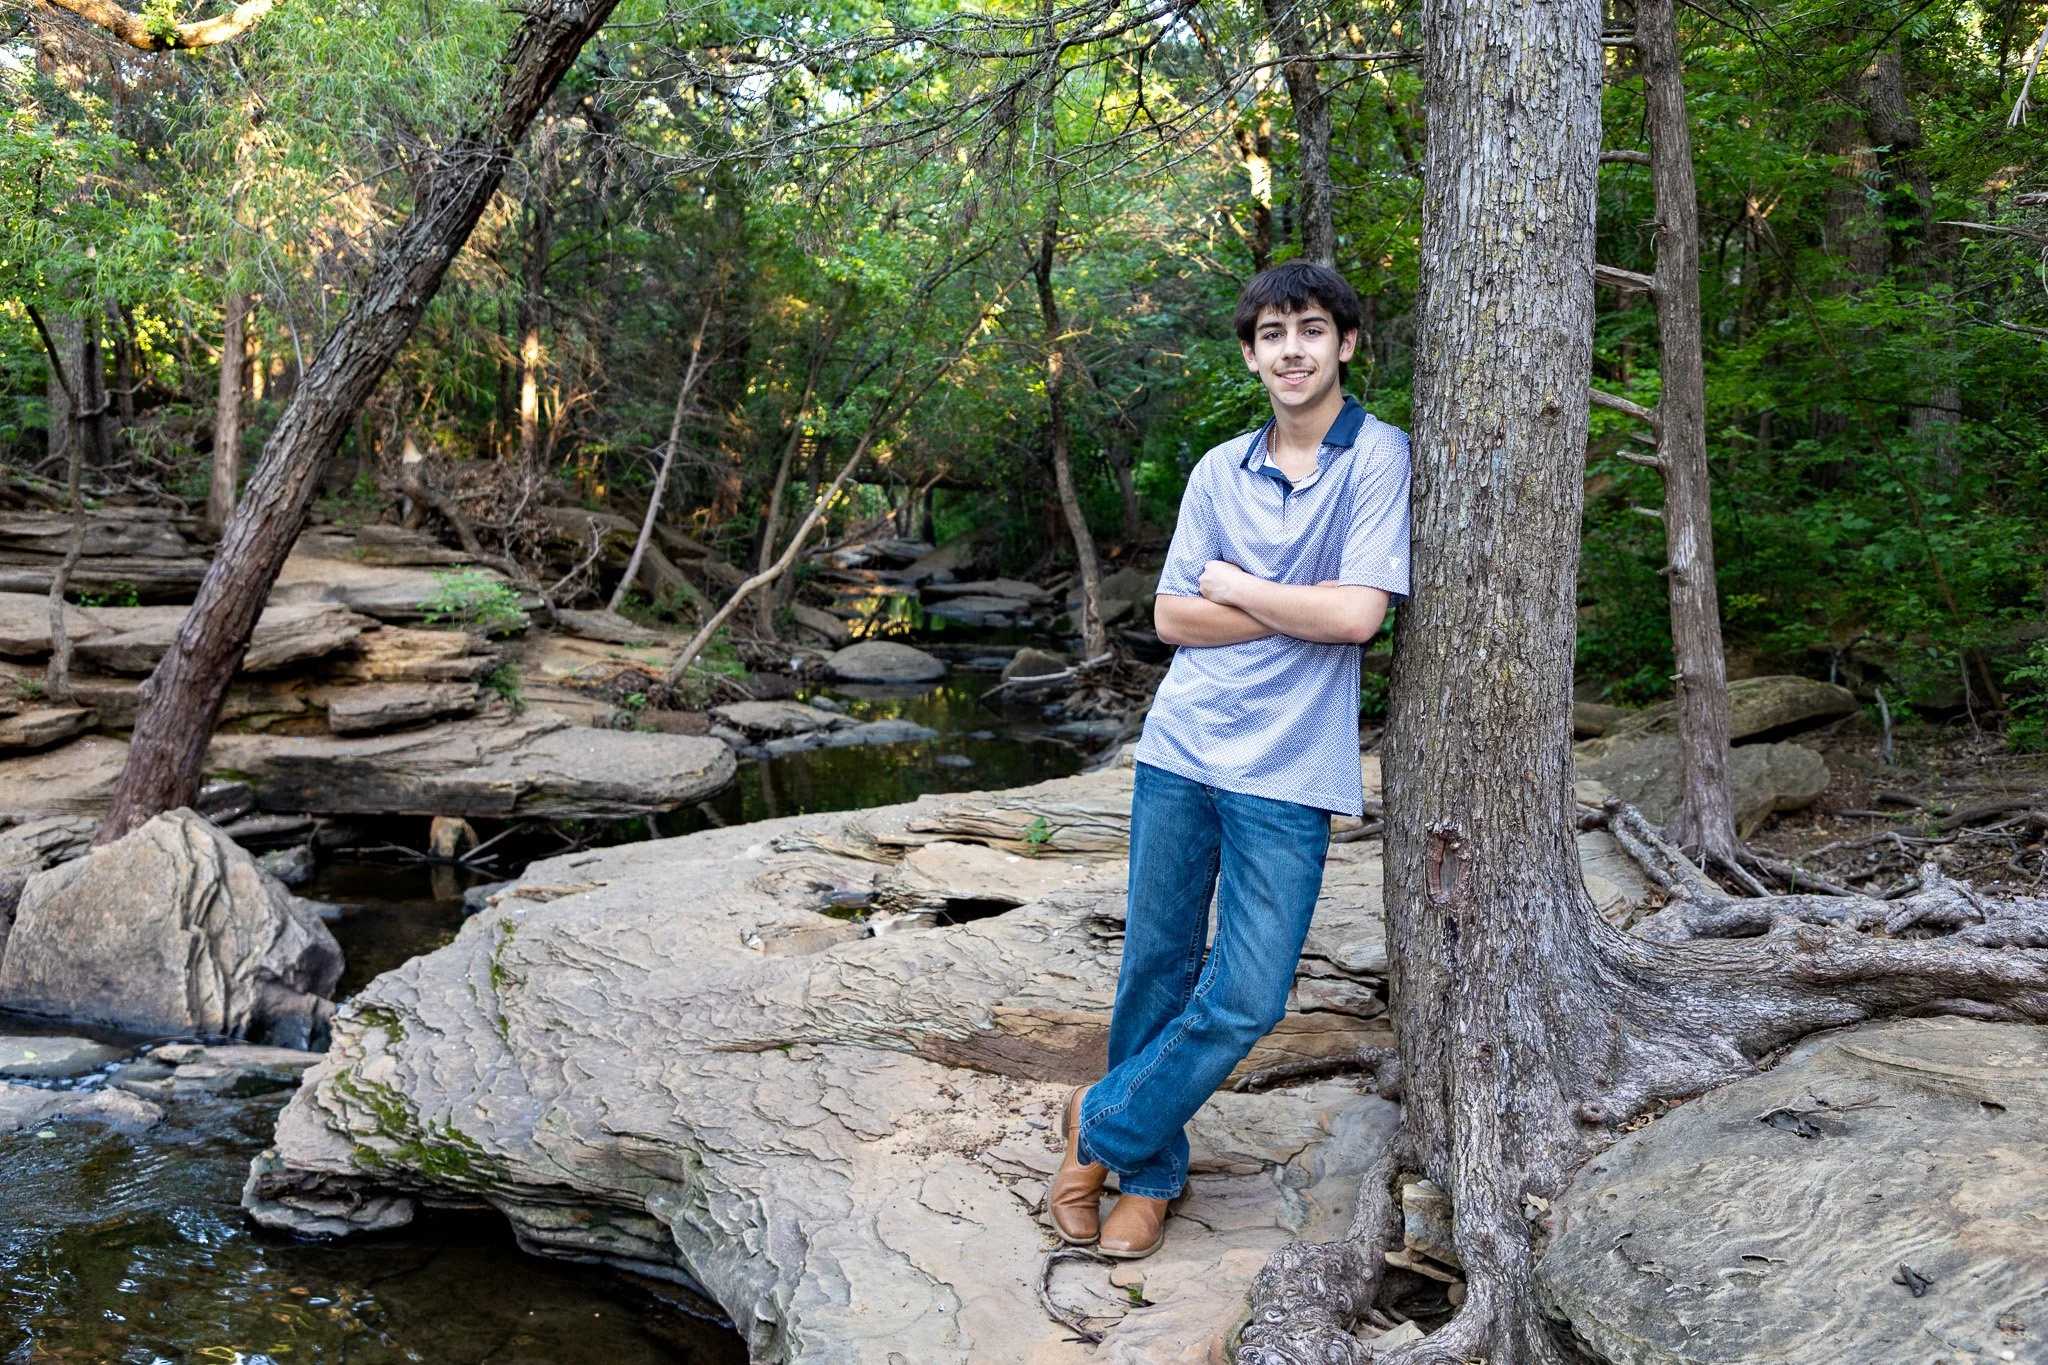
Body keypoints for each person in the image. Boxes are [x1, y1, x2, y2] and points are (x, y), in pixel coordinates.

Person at [1050, 261, 1411, 1259]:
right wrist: (1275, 603)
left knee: (1246, 995)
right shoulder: (1218, 469)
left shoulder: (1377, 459)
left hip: (1291, 768)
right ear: (1250, 355)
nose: (1290, 349)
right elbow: (1170, 617)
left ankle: (1101, 1127)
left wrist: (1235, 586)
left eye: (1309, 330)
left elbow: (1356, 617)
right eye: (1270, 334)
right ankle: (1150, 1179)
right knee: (1156, 966)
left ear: (1343, 344)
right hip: (1182, 749)